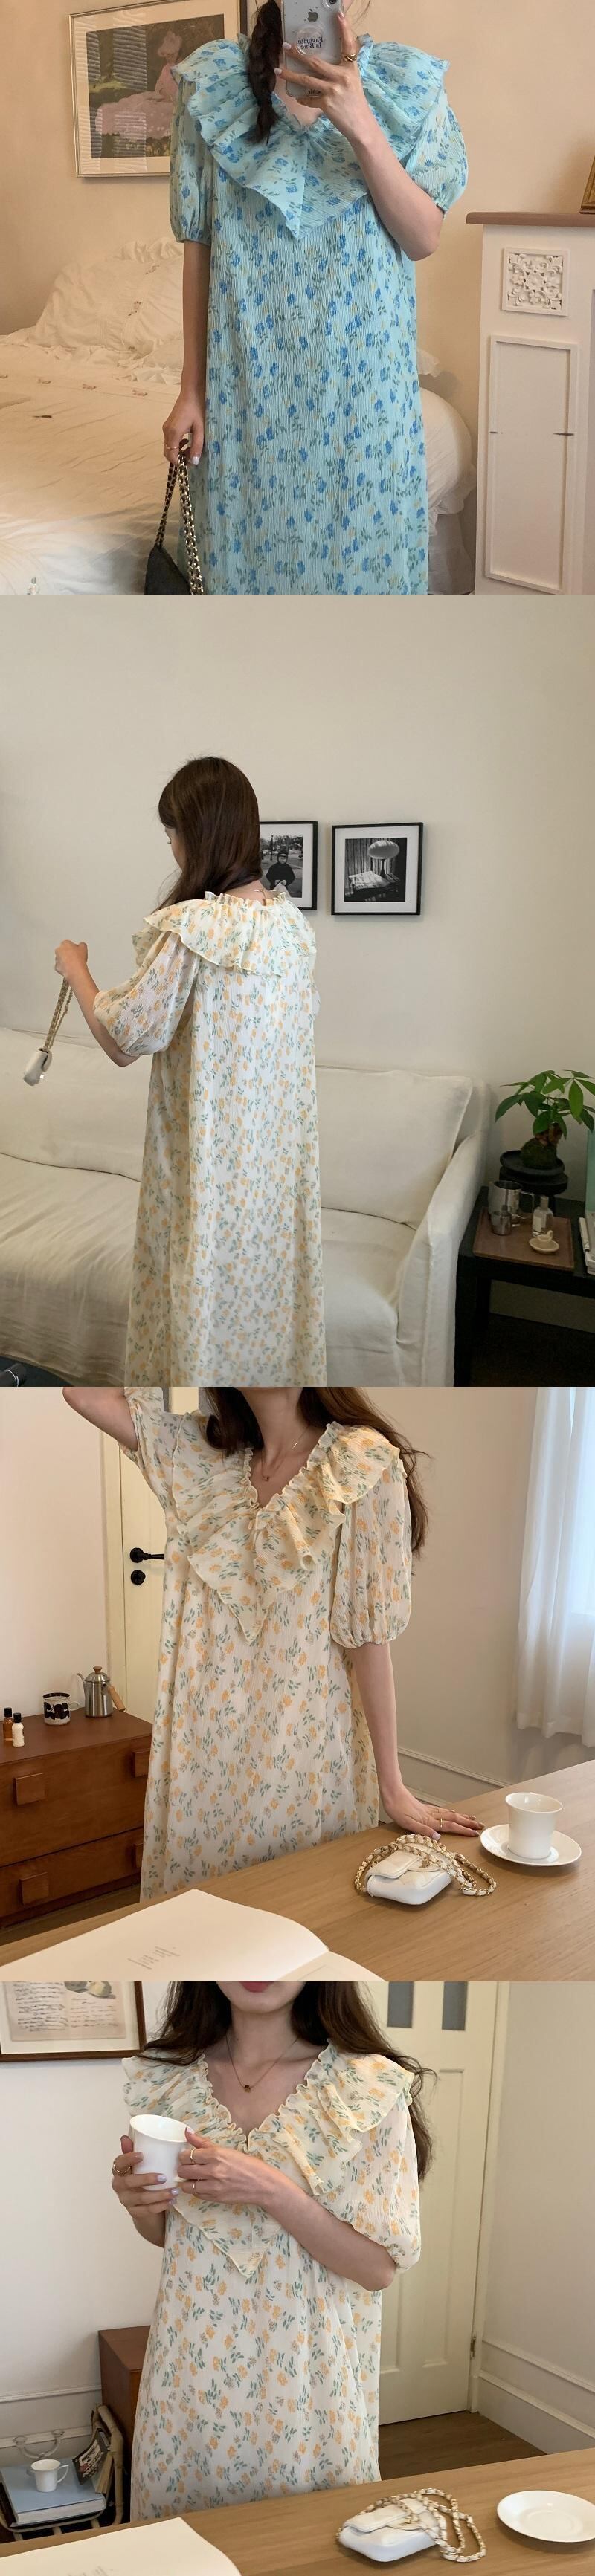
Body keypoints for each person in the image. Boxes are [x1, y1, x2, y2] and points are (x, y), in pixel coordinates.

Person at [64, 1382, 480, 1897]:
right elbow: (83, 1395)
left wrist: (391, 1787)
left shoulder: (358, 1462)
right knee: (201, 1918)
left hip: (301, 1755)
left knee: (292, 1911)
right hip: (202, 1754)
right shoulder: (201, 1458)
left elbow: (369, 1638)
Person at [162, 2, 467, 595]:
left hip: (366, 407)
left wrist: (361, 122)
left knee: (366, 602)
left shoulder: (405, 85)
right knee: (241, 595)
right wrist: (190, 390)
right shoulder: (211, 84)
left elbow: (423, 238)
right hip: (246, 402)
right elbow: (200, 247)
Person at [112, 1976, 431, 2515]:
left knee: (305, 2542)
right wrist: (139, 2206)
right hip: (188, 2373)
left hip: (309, 2385)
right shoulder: (169, 2081)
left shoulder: (364, 2086)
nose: (257, 1968)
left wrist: (271, 2190)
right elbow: (173, 2237)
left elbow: (377, 2269)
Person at [54, 756, 325, 1382]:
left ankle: (184, 1422)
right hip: (271, 1184)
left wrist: (76, 968)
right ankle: (240, 1421)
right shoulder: (290, 930)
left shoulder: (196, 930)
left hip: (208, 1182)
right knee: (258, 1327)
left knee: (191, 1335)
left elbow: (124, 1040)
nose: (172, 847)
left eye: (172, 833)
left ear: (196, 836)